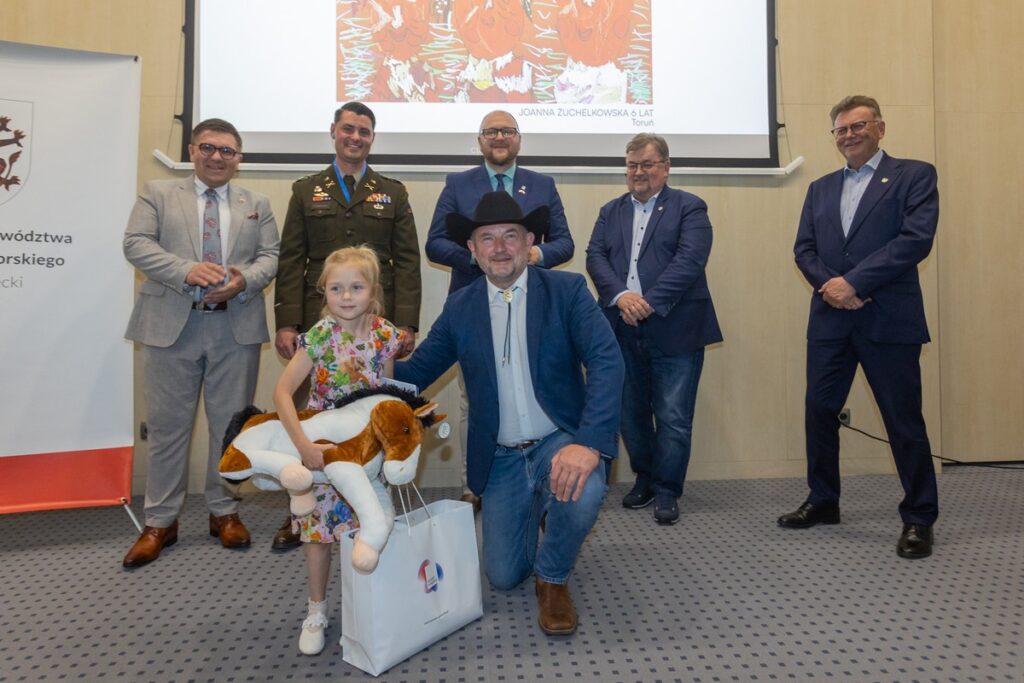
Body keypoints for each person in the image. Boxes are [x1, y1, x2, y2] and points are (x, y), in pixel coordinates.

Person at [396, 191, 624, 636]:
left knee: (585, 488)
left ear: (530, 242)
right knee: (502, 576)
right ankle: (541, 505)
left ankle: (552, 577)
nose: (499, 247)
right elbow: (416, 374)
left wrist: (588, 442)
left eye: (510, 236)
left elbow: (607, 362)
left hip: (559, 439)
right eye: (487, 238)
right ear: (472, 249)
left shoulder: (567, 290)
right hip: (500, 456)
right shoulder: (460, 307)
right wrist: (361, 358)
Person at [779, 95, 939, 560]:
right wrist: (833, 288)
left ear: (880, 128)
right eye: (841, 129)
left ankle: (919, 516)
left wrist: (854, 283)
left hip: (888, 318)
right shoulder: (821, 188)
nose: (849, 135)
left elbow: (915, 240)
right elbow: (804, 249)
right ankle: (823, 500)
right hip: (830, 319)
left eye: (858, 126)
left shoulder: (914, 175)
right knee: (819, 411)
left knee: (903, 420)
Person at [122, 118, 280, 568]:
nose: (216, 157)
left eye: (227, 151)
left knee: (229, 428)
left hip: (235, 328)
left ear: (238, 159)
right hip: (171, 326)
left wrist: (243, 280)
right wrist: (185, 270)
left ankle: (224, 511)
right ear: (192, 150)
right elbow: (135, 244)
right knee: (168, 428)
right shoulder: (157, 193)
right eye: (208, 147)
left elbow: (271, 256)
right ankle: (160, 521)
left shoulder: (257, 203)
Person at [271, 101, 422, 550]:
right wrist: (287, 322)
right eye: (348, 129)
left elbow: (407, 261)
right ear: (333, 131)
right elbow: (291, 259)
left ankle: (371, 500)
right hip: (317, 321)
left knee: (373, 408)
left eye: (364, 131)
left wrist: (407, 323)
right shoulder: (306, 190)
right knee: (309, 416)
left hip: (372, 325)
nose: (356, 137)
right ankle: (301, 505)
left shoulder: (392, 192)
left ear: (372, 138)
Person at [424, 110, 575, 511]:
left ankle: (544, 481)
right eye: (491, 131)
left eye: (507, 130)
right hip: (474, 306)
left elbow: (565, 243)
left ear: (519, 139)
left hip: (532, 306)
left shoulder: (543, 184)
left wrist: (534, 254)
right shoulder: (458, 184)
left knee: (536, 389)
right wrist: (483, 262)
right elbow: (435, 243)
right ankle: (474, 484)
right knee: (474, 400)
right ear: (480, 140)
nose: (499, 137)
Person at [274, 246, 408, 655]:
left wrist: (390, 451)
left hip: (367, 455)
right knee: (318, 534)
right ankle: (316, 610)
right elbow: (282, 393)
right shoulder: (318, 337)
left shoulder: (385, 335)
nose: (346, 296)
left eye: (356, 287)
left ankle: (366, 606)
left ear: (374, 290)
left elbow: (386, 396)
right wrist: (303, 444)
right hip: (325, 454)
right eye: (336, 288)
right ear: (324, 292)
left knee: (368, 528)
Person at [585, 133, 722, 526]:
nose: (638, 172)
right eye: (632, 165)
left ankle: (667, 490)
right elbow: (595, 256)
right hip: (620, 326)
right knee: (630, 414)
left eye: (646, 164)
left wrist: (646, 302)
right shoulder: (610, 211)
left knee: (673, 415)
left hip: (675, 326)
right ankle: (645, 478)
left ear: (665, 167)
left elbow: (690, 260)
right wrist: (621, 297)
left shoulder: (690, 207)